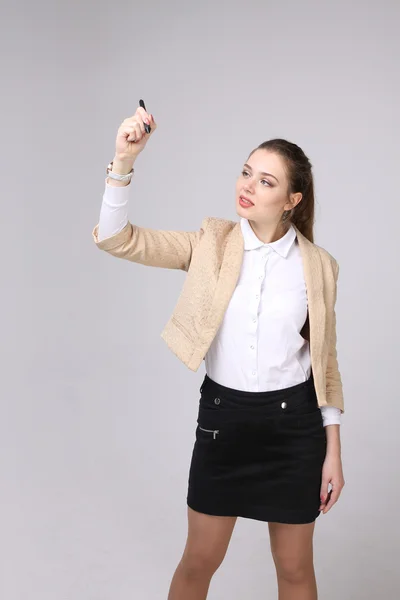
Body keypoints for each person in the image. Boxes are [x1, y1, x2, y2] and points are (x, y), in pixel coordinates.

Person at [92, 105, 345, 600]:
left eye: (266, 181)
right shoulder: (212, 242)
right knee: (199, 561)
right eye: (246, 172)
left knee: (295, 570)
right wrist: (123, 161)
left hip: (294, 429)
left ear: (293, 199)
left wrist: (333, 449)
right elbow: (118, 239)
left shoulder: (319, 266)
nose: (247, 185)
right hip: (222, 421)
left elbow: (325, 362)